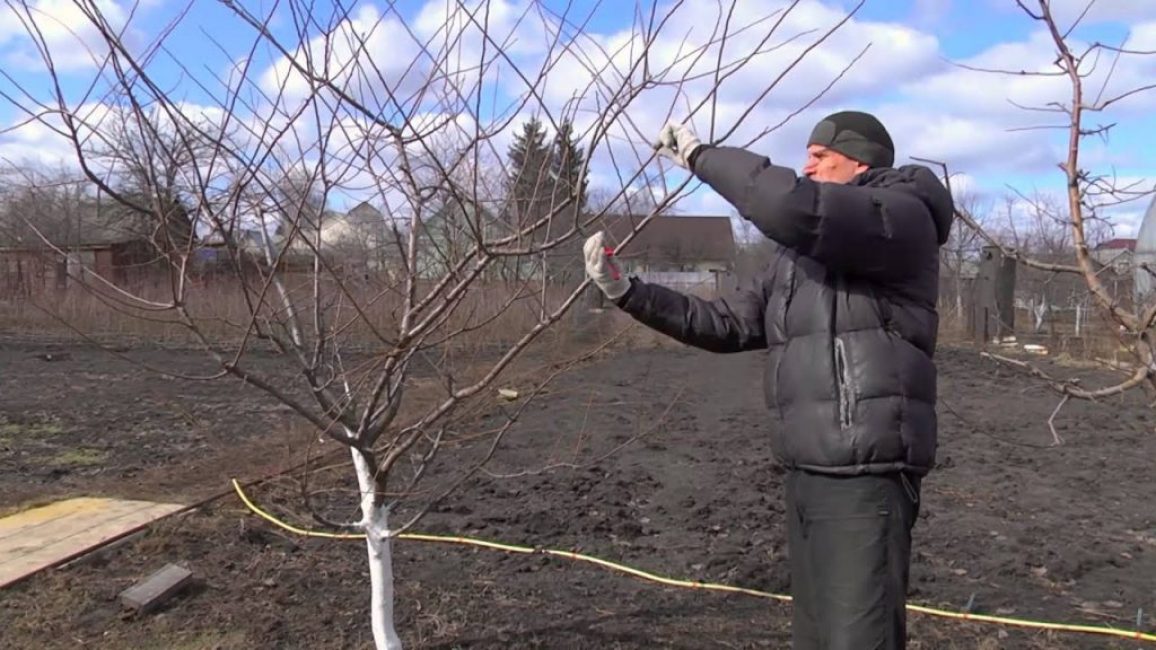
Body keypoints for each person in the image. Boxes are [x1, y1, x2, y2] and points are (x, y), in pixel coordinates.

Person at [582, 111, 954, 649]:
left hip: (865, 472)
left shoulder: (900, 216)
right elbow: (727, 323)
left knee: (858, 638)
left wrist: (700, 157)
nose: (808, 165)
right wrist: (627, 292)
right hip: (807, 468)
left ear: (861, 161)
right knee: (816, 637)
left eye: (821, 156)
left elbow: (789, 206)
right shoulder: (796, 260)